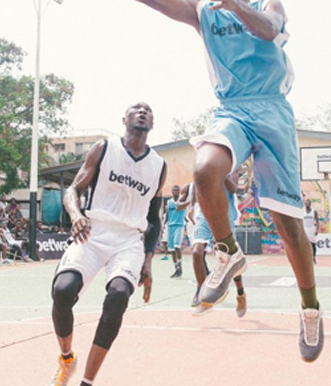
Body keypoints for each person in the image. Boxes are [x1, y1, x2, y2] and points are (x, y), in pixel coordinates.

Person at [67, 0, 324, 362]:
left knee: (287, 222)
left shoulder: (266, 2)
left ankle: (310, 307)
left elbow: (268, 29)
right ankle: (227, 253)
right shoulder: (204, 11)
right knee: (205, 167)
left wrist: (235, 3)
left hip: (272, 111)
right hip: (232, 110)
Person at [47, 102, 166, 386]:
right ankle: (66, 359)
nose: (142, 112)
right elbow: (73, 190)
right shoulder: (104, 148)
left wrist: (148, 261)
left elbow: (154, 219)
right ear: (123, 118)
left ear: (152, 123)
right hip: (93, 230)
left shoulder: (158, 166)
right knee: (62, 292)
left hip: (128, 240)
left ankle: (87, 381)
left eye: (147, 110)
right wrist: (76, 215)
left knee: (118, 297)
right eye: (136, 108)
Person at [190, 173, 247, 317]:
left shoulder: (230, 167)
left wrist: (218, 174)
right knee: (197, 252)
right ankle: (204, 298)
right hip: (204, 214)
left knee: (230, 259)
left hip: (224, 214)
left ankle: (241, 293)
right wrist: (192, 206)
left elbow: (234, 189)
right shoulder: (203, 159)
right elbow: (196, 184)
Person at [163, 184, 190, 278]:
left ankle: (180, 267)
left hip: (179, 225)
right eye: (174, 190)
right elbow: (167, 214)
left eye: (177, 190)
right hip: (170, 226)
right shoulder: (169, 202)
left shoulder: (182, 201)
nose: (175, 191)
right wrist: (163, 224)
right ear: (172, 192)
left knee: (176, 246)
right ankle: (176, 269)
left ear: (179, 192)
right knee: (171, 250)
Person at [303, 199, 321, 265]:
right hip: (305, 228)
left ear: (310, 204)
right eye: (306, 203)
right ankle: (306, 257)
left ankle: (313, 257)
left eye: (308, 203)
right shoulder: (302, 211)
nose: (307, 204)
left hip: (311, 228)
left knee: (313, 244)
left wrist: (317, 229)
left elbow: (317, 221)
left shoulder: (314, 211)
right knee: (305, 244)